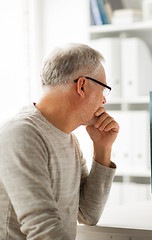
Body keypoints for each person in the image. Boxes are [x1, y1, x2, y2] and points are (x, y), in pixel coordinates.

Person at [0, 43, 119, 239]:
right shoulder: (21, 134)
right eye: (103, 89)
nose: (104, 100)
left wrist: (102, 148)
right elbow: (44, 229)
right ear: (82, 85)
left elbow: (87, 214)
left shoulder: (69, 140)